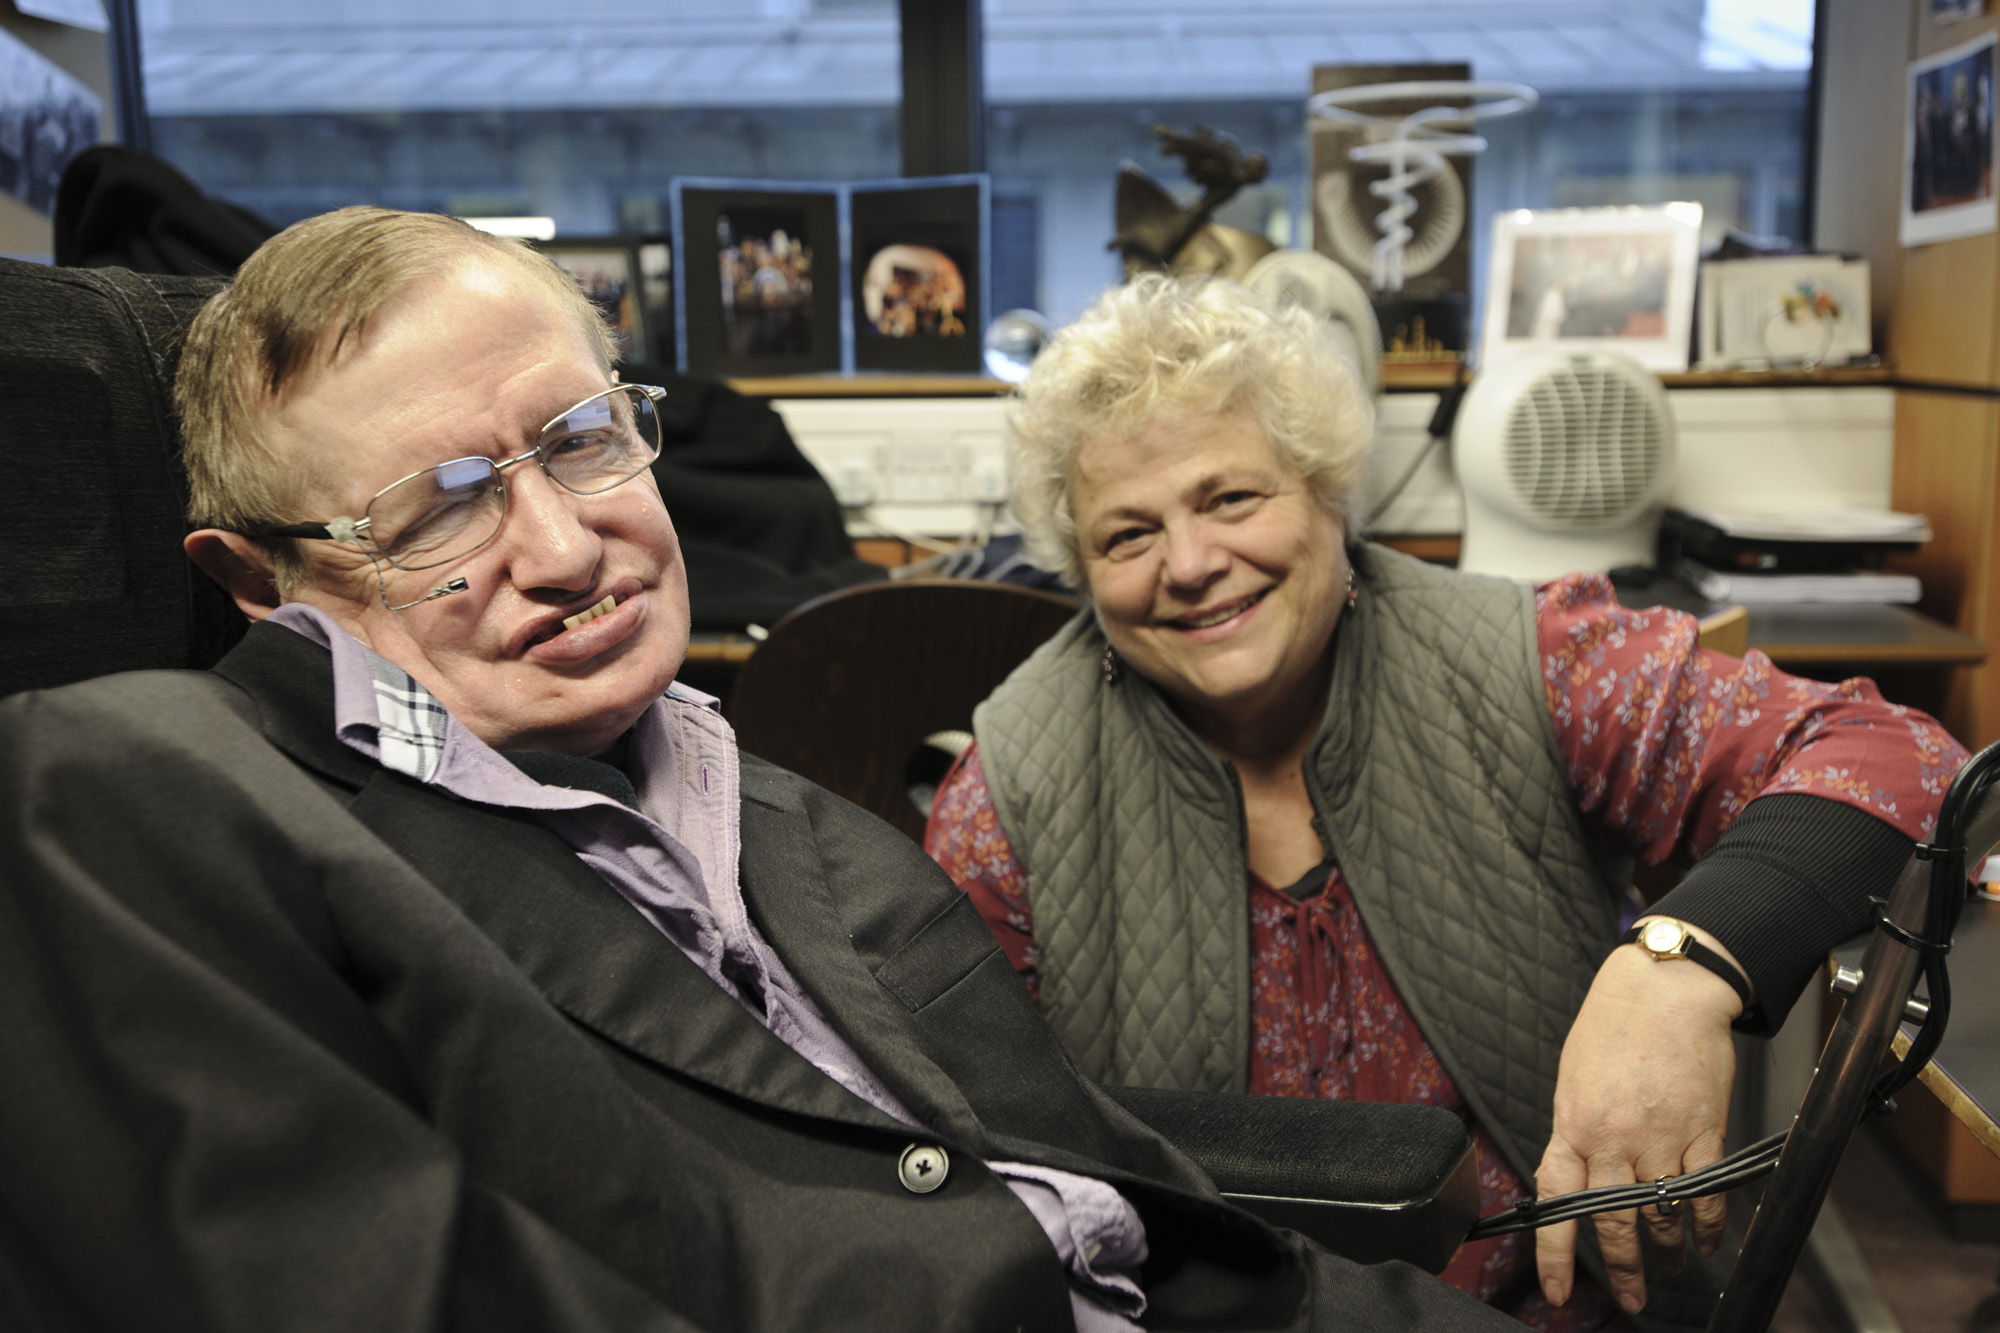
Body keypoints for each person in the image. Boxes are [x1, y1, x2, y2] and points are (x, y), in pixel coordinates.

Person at [0, 207, 1525, 1333]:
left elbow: (1115, 1203)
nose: (564, 543)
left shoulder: (790, 811)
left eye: (583, 438)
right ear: (258, 582)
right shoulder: (143, 790)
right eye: (439, 511)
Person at [925, 275, 1967, 1330]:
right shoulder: (1008, 790)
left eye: (1231, 498)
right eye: (1126, 535)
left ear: (1329, 492)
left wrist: (1684, 961)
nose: (1190, 563)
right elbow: (963, 1139)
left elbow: (1898, 758)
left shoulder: (1527, 662)